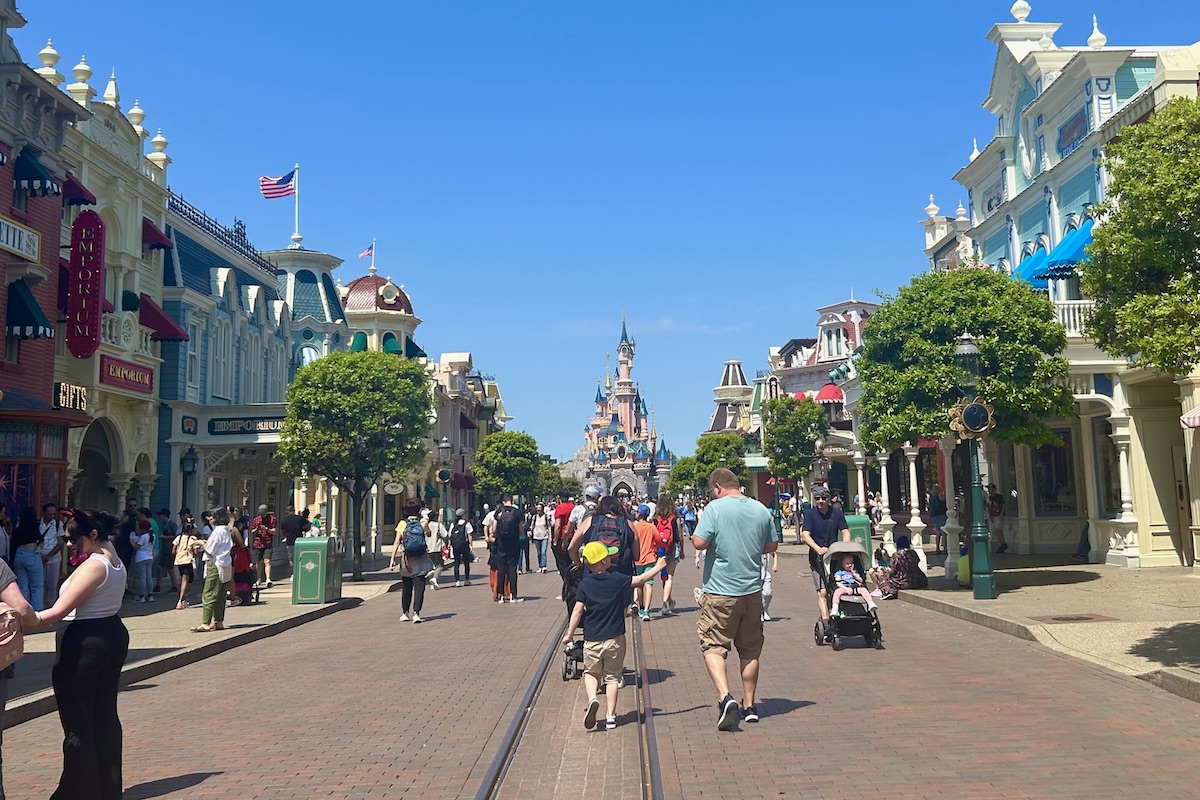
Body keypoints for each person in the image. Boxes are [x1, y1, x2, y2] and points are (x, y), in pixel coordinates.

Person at [29, 509, 129, 800]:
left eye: (73, 539)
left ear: (93, 535)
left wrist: (24, 618)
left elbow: (58, 611)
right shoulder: (114, 556)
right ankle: (106, 788)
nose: (70, 544)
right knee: (103, 716)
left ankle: (76, 792)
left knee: (78, 722)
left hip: (84, 642)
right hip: (110, 633)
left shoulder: (95, 565)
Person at [691, 468, 778, 731]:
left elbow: (698, 542)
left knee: (713, 645)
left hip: (720, 591)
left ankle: (725, 697)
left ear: (717, 487)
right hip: (752, 592)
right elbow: (771, 546)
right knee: (750, 650)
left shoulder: (715, 509)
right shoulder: (761, 509)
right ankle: (750, 706)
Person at [563, 541, 665, 731]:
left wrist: (569, 634)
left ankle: (593, 698)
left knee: (591, 673)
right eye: (608, 555)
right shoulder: (617, 579)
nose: (612, 557)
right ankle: (611, 716)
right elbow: (640, 580)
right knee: (612, 677)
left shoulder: (585, 583)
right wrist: (658, 567)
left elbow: (577, 610)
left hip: (592, 638)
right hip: (615, 639)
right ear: (602, 561)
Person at [798, 485, 851, 639]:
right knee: (822, 591)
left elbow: (845, 531)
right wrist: (817, 548)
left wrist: (844, 546)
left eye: (823, 498)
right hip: (817, 559)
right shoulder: (810, 514)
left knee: (837, 588)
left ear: (829, 499)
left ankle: (840, 615)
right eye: (817, 499)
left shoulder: (836, 513)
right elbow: (805, 535)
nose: (820, 501)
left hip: (834, 557)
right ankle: (826, 622)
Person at [192, 508, 241, 633]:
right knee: (221, 595)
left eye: (212, 516)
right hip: (225, 563)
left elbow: (210, 549)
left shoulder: (217, 531)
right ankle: (219, 621)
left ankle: (205, 623)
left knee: (209, 593)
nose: (209, 519)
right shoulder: (226, 530)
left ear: (217, 518)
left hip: (215, 564)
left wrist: (200, 543)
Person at [389, 502, 433, 622]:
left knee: (406, 586)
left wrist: (392, 558)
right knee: (419, 586)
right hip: (421, 558)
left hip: (407, 559)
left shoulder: (402, 524)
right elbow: (428, 534)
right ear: (418, 511)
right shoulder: (423, 522)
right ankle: (416, 613)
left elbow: (397, 542)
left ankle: (405, 612)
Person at [652, 494, 685, 616]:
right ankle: (665, 603)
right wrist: (682, 550)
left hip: (660, 549)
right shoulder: (674, 517)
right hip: (673, 547)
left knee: (664, 576)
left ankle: (669, 601)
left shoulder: (656, 518)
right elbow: (680, 536)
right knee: (669, 576)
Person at [869, 534, 928, 598]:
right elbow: (917, 561)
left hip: (902, 581)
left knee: (882, 575)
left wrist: (883, 569)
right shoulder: (913, 552)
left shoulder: (896, 555)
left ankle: (887, 591)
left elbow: (891, 571)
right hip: (918, 580)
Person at [492, 494, 524, 603]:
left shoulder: (498, 512)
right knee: (512, 568)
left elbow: (494, 529)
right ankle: (513, 595)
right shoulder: (518, 513)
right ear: (511, 500)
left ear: (503, 501)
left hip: (501, 543)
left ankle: (501, 595)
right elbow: (520, 530)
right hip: (514, 543)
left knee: (501, 569)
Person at [11, 508, 43, 611]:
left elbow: (13, 545)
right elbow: (41, 540)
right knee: (36, 586)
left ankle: (24, 611)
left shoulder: (18, 529)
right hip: (32, 554)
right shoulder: (34, 528)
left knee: (22, 586)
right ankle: (37, 611)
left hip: (19, 555)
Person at [631, 504, 658, 622]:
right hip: (650, 558)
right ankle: (647, 610)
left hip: (637, 559)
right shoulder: (651, 527)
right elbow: (658, 540)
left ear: (640, 514)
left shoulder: (634, 526)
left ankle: (641, 608)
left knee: (639, 584)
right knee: (649, 584)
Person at [39, 503, 66, 608]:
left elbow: (60, 542)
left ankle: (50, 605)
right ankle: (39, 604)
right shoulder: (37, 524)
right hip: (39, 558)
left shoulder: (58, 524)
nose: (51, 516)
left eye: (53, 514)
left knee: (52, 584)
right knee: (39, 583)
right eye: (49, 514)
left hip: (54, 558)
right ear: (43, 513)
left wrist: (49, 556)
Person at [172, 521, 202, 609]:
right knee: (185, 581)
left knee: (185, 579)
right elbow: (196, 552)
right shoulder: (192, 539)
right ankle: (180, 600)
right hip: (187, 561)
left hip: (179, 561)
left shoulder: (179, 538)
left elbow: (173, 550)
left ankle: (184, 598)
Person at [128, 517, 155, 603]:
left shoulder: (143, 537)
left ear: (142, 528)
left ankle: (142, 596)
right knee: (149, 577)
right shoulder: (152, 536)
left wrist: (131, 540)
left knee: (142, 578)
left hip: (141, 558)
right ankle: (150, 596)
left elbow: (137, 547)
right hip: (149, 557)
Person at [153, 509, 178, 596]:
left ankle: (174, 586)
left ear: (164, 515)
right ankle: (158, 585)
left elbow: (176, 536)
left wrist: (165, 537)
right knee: (159, 567)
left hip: (169, 549)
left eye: (160, 515)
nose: (159, 517)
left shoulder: (172, 524)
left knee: (170, 568)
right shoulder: (164, 524)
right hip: (164, 549)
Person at [250, 505, 276, 587]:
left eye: (264, 513)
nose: (262, 515)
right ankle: (259, 578)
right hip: (258, 543)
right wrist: (257, 529)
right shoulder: (256, 520)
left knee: (267, 561)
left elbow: (274, 531)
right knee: (259, 562)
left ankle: (268, 579)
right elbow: (252, 531)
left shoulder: (272, 519)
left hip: (268, 543)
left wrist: (266, 529)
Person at [278, 504, 304, 579]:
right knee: (300, 557)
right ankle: (299, 572)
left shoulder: (284, 520)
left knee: (291, 559)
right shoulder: (299, 518)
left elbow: (282, 531)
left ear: (287, 511)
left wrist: (285, 536)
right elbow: (308, 525)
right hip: (299, 541)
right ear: (293, 510)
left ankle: (294, 574)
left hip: (290, 541)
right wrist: (303, 530)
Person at [448, 509, 474, 587]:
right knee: (466, 562)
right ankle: (466, 580)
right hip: (464, 545)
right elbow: (469, 535)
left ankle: (457, 581)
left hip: (455, 545)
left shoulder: (453, 524)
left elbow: (450, 535)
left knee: (456, 562)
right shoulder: (467, 523)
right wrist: (471, 545)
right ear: (463, 515)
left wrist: (449, 544)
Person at [530, 502, 550, 573]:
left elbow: (549, 526)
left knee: (543, 552)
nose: (538, 511)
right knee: (539, 553)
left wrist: (550, 536)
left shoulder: (546, 516)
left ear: (542, 509)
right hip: (536, 537)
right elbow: (532, 525)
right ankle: (540, 566)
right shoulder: (534, 517)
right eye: (537, 509)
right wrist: (530, 531)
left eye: (539, 509)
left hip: (544, 536)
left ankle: (544, 566)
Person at [988, 484, 1009, 553]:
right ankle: (1001, 545)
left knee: (998, 529)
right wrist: (990, 516)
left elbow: (1003, 506)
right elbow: (989, 507)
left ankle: (1003, 544)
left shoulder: (999, 497)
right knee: (996, 531)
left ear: (994, 489)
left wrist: (1001, 514)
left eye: (990, 488)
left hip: (999, 516)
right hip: (993, 516)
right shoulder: (989, 498)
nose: (989, 490)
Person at [929, 488, 948, 554]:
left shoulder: (931, 499)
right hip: (941, 515)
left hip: (934, 516)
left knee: (938, 533)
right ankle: (945, 548)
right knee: (944, 533)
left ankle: (937, 548)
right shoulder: (940, 497)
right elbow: (947, 499)